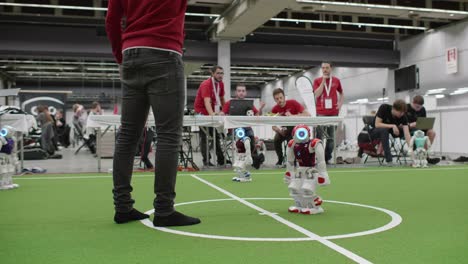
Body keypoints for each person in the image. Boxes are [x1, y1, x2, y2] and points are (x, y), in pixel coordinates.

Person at [106, 0, 200, 226]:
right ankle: (164, 210)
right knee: (168, 134)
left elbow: (111, 20)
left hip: (131, 53)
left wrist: (122, 57)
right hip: (165, 52)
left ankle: (123, 207)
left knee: (128, 136)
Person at [284, 124, 330, 215]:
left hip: (310, 170)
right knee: (294, 188)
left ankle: (314, 206)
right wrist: (289, 173)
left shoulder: (314, 143)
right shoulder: (292, 144)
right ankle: (299, 205)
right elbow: (289, 161)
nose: (301, 135)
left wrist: (323, 174)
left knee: (307, 189)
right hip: (300, 170)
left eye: (303, 133)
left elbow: (321, 161)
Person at [193, 65, 228, 167]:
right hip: (201, 112)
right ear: (212, 73)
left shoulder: (220, 84)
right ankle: (206, 160)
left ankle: (221, 159)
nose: (220, 75)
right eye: (218, 73)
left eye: (222, 73)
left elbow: (222, 99)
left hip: (212, 111)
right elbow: (206, 101)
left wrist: (225, 110)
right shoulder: (206, 84)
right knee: (205, 137)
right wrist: (212, 115)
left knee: (216, 136)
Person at [222, 83, 265, 157]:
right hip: (233, 129)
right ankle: (244, 157)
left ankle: (253, 158)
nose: (241, 93)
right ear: (236, 92)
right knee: (243, 136)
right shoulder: (229, 103)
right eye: (239, 91)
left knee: (251, 138)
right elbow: (222, 113)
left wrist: (260, 108)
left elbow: (257, 114)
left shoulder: (249, 104)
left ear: (245, 93)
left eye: (243, 91)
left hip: (247, 128)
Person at [313, 62, 344, 164]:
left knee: (331, 138)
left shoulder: (336, 81)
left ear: (331, 68)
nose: (325, 70)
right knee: (319, 137)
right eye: (323, 68)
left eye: (327, 68)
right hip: (321, 113)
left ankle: (326, 158)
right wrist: (323, 81)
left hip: (333, 113)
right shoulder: (317, 81)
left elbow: (341, 93)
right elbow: (317, 94)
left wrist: (340, 104)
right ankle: (320, 158)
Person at [271, 88, 311, 167]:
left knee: (291, 140)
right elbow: (273, 126)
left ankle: (293, 160)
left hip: (295, 129)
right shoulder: (274, 109)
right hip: (283, 130)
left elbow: (307, 114)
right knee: (276, 140)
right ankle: (280, 159)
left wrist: (293, 116)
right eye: (277, 99)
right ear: (274, 100)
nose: (279, 100)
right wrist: (279, 130)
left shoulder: (293, 103)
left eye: (281, 98)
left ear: (284, 97)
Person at [370, 99, 411, 166]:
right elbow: (377, 124)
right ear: (394, 109)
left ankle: (417, 155)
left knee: (402, 130)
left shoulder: (403, 116)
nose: (402, 114)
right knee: (384, 130)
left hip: (387, 133)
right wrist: (393, 126)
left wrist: (411, 148)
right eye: (400, 112)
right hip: (374, 131)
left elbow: (407, 134)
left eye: (403, 112)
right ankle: (389, 160)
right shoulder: (384, 108)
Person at [406, 95, 439, 164]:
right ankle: (420, 156)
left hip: (420, 129)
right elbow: (402, 124)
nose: (418, 109)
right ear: (412, 103)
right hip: (408, 129)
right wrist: (411, 124)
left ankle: (424, 155)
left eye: (420, 107)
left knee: (432, 132)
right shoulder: (406, 108)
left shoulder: (422, 109)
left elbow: (423, 121)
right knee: (418, 134)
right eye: (417, 107)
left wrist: (427, 126)